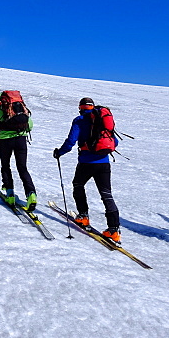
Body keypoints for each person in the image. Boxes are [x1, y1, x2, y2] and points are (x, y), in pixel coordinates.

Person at [52, 97, 121, 243]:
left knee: (78, 185)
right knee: (106, 194)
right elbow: (115, 141)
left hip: (86, 162)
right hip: (104, 162)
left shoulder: (79, 120)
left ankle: (83, 216)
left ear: (80, 107)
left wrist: (59, 152)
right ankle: (114, 230)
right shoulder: (102, 119)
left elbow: (71, 141)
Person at [0, 91, 37, 211]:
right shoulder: (19, 105)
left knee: (5, 166)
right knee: (22, 168)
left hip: (5, 140)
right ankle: (31, 194)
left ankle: (10, 194)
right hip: (21, 139)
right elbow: (30, 125)